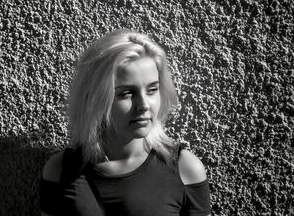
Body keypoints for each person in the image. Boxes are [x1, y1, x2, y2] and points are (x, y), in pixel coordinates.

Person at [40, 29, 211, 215]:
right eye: (126, 93)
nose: (144, 105)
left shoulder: (185, 170)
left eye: (152, 90)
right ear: (95, 98)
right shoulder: (59, 171)